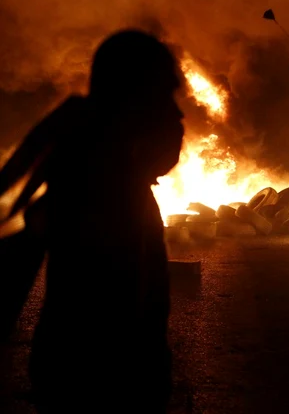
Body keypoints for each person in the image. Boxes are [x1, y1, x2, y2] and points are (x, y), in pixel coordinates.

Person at [0, 30, 184, 413]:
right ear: (132, 103)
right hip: (97, 385)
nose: (178, 115)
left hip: (84, 377)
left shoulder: (105, 179)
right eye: (164, 97)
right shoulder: (100, 189)